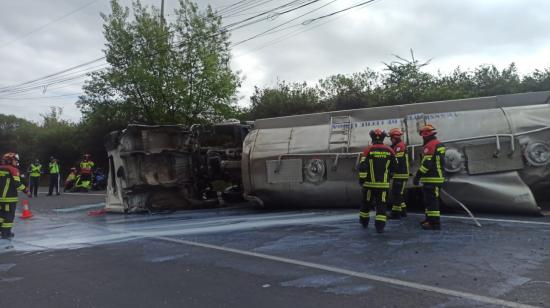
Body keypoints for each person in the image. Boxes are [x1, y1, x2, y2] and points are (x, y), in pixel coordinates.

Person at [358, 129, 396, 233]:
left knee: (366, 204)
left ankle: (364, 222)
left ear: (372, 138)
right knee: (381, 206)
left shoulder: (368, 150)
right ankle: (380, 226)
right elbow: (395, 167)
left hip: (369, 185)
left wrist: (362, 179)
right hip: (383, 186)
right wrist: (389, 176)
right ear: (383, 138)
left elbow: (362, 167)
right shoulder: (390, 150)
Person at [413, 124, 446, 230]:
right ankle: (429, 219)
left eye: (423, 136)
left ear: (426, 135)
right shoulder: (438, 144)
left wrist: (417, 176)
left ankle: (434, 223)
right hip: (436, 177)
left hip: (432, 177)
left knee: (432, 201)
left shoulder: (430, 145)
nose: (422, 138)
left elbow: (427, 164)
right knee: (429, 200)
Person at [0, 153, 28, 239]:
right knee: (9, 216)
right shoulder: (13, 170)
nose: (16, 162)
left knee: (1, 215)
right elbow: (17, 183)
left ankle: (2, 231)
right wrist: (25, 190)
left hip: (0, 198)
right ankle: (6, 233)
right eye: (15, 160)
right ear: (9, 160)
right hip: (9, 198)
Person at [388, 128, 410, 219]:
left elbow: (397, 161)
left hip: (401, 174)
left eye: (391, 137)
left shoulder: (399, 146)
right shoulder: (398, 145)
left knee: (396, 193)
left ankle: (395, 214)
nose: (390, 139)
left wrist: (391, 171)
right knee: (398, 193)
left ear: (394, 137)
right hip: (400, 174)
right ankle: (403, 211)